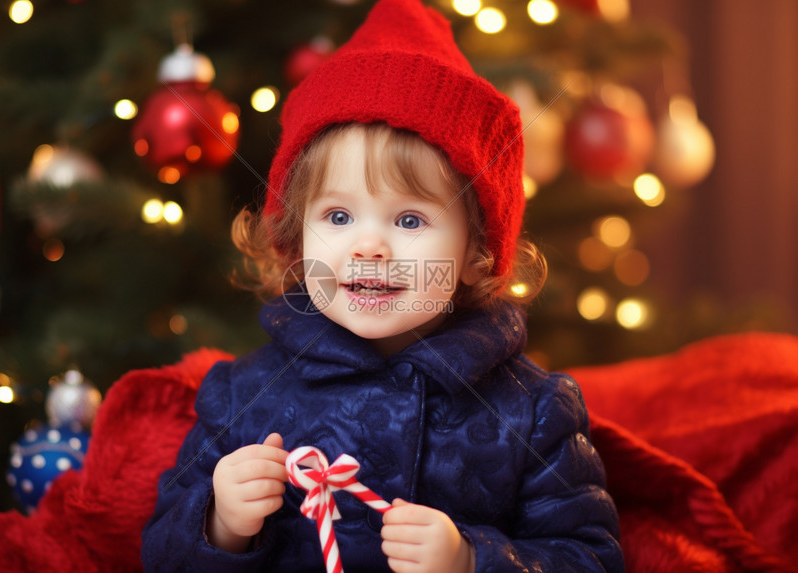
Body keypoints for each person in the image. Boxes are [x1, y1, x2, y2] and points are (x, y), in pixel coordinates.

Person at [141, 0, 623, 571]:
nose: (369, 248)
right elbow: (159, 555)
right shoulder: (241, 394)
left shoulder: (533, 411)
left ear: (477, 253)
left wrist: (472, 560)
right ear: (297, 242)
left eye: (410, 220)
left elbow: (589, 557)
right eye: (339, 218)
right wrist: (221, 524)